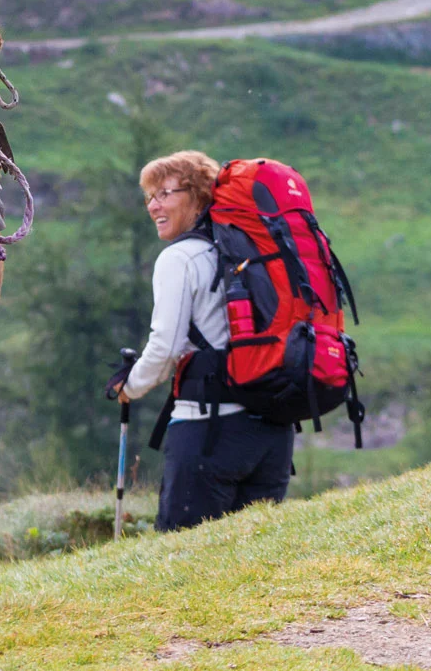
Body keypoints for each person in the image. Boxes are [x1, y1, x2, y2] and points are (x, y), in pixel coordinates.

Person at [105, 149, 295, 531]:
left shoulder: (180, 258)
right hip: (274, 432)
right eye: (149, 196)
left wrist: (130, 386)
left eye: (164, 194)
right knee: (255, 564)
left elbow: (165, 347)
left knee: (182, 564)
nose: (152, 206)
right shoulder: (252, 251)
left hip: (209, 432)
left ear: (197, 196)